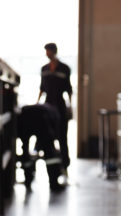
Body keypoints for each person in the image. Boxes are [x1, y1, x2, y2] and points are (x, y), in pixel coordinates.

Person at [38, 42, 72, 170]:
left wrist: (69, 107)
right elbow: (42, 88)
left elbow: (68, 89)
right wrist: (37, 103)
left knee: (62, 135)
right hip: (48, 105)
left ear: (54, 51)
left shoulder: (65, 68)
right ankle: (52, 164)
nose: (47, 53)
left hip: (60, 105)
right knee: (48, 135)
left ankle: (65, 164)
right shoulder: (44, 69)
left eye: (49, 51)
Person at [18, 103, 64, 191]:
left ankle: (28, 179)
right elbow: (52, 137)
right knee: (49, 153)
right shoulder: (55, 115)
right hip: (41, 120)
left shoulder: (49, 110)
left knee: (25, 150)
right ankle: (53, 182)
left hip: (25, 118)